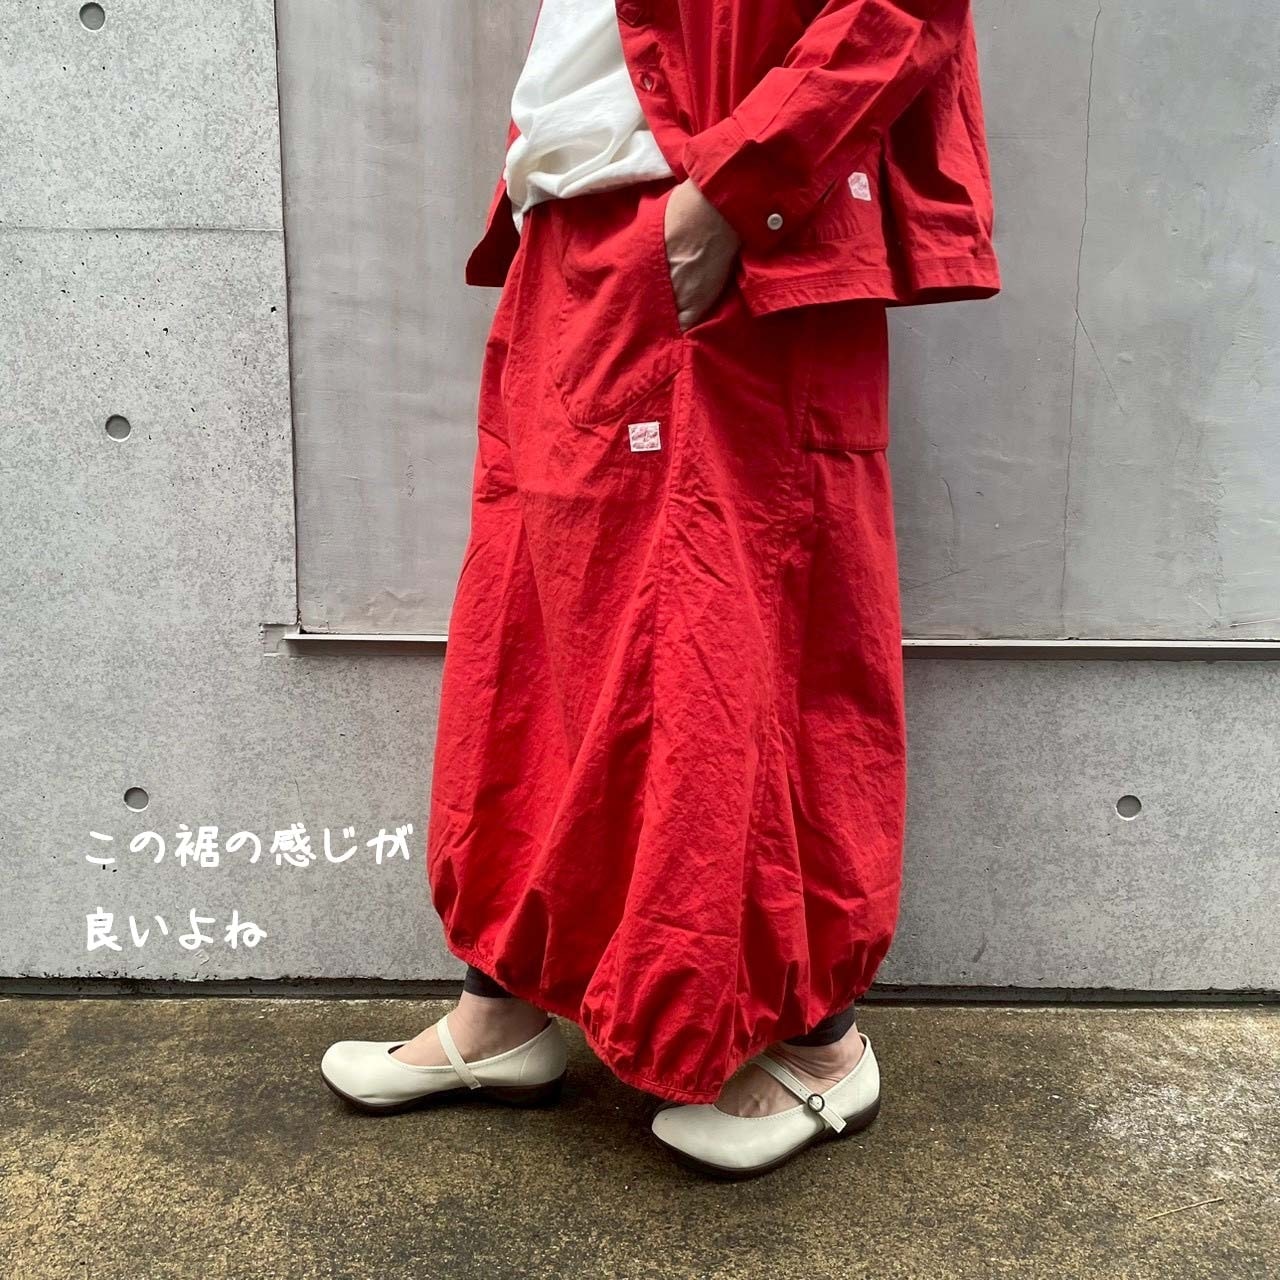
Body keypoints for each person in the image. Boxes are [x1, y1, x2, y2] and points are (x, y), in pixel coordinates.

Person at [322, 0, 1000, 1179]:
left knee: (736, 639)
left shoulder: (724, 210)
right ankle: (503, 1008)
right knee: (540, 638)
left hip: (729, 241)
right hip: (569, 244)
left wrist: (733, 193)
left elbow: (897, 11)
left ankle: (823, 1043)